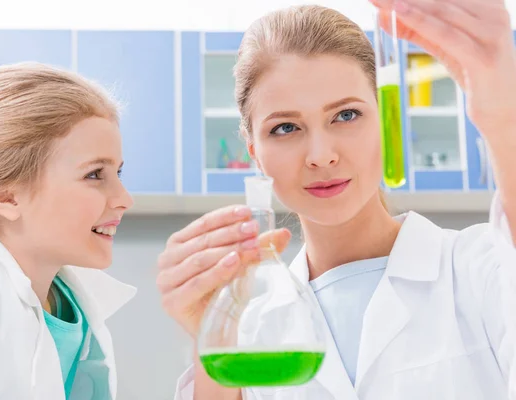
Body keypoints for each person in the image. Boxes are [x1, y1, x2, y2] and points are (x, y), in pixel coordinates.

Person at [157, 0, 516, 399]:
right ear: (254, 150)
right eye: (285, 127)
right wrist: (210, 330)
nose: (321, 154)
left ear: (386, 116)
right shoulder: (253, 327)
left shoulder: (483, 268)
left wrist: (503, 118)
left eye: (346, 115)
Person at [0, 62, 136, 399]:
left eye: (118, 173)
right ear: (7, 196)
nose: (124, 199)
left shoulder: (70, 301)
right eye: (95, 174)